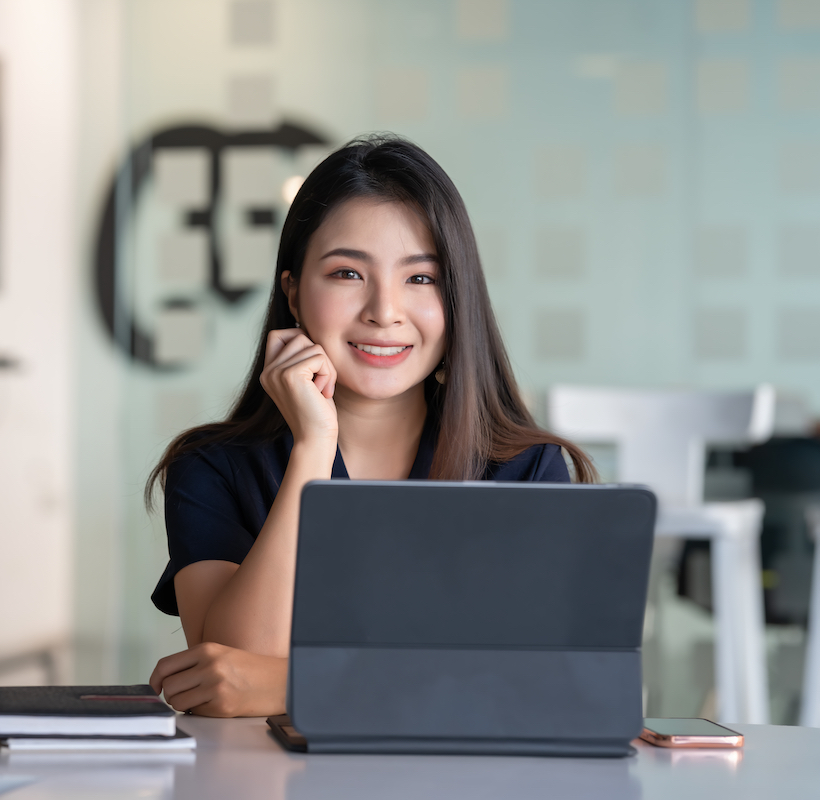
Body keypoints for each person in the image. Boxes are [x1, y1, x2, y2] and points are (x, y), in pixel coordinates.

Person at [144, 135, 597, 717]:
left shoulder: (524, 471)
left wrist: (295, 685)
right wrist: (313, 447)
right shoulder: (211, 469)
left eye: (421, 278)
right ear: (293, 291)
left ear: (458, 301)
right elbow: (229, 676)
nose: (384, 311)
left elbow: (539, 686)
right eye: (347, 274)